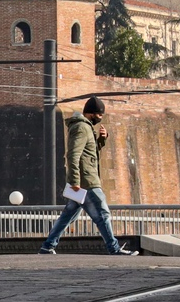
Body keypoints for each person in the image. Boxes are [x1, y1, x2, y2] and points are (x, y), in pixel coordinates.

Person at [40, 96, 137, 256]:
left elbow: (88, 153)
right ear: (92, 113)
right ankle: (114, 249)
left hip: (83, 181)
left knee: (67, 216)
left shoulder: (85, 128)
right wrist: (75, 182)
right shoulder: (81, 128)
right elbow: (73, 155)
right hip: (86, 182)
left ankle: (48, 246)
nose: (100, 118)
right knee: (103, 214)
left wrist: (101, 140)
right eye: (100, 115)